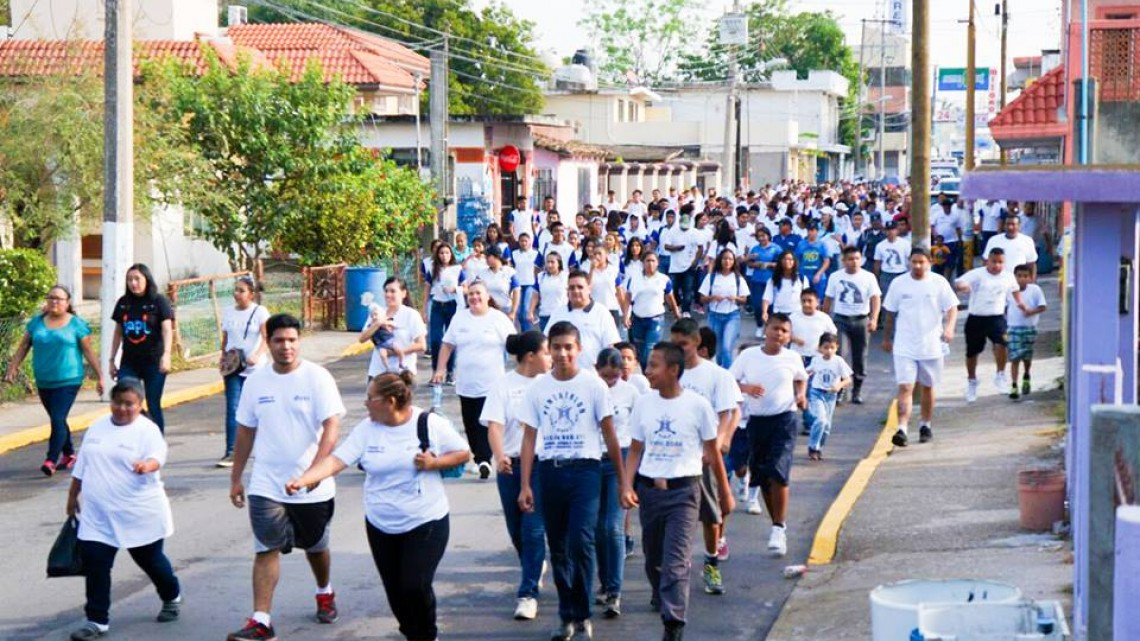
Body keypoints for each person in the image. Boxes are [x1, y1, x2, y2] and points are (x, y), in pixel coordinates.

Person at [285, 371, 468, 641]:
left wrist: (433, 463)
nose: (365, 403)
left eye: (370, 398)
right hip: (381, 523)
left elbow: (463, 452)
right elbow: (337, 461)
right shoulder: (367, 430)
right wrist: (304, 479)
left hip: (425, 521)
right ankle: (412, 634)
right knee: (395, 592)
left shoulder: (428, 423)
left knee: (414, 585)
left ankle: (428, 635)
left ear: (390, 401)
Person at [227, 314, 346, 641]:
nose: (286, 346)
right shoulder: (255, 382)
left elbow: (332, 429)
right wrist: (237, 477)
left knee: (316, 546)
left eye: (292, 340)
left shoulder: (317, 378)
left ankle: (325, 591)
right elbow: (246, 431)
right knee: (266, 548)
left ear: (299, 341)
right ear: (269, 342)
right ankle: (261, 620)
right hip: (267, 483)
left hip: (313, 485)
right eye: (279, 340)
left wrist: (315, 472)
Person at [619, 342, 733, 641]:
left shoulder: (698, 406)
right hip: (650, 492)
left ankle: (674, 624)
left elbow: (713, 451)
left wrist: (724, 491)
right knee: (653, 559)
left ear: (673, 370)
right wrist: (627, 485)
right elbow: (634, 449)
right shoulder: (644, 403)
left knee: (676, 562)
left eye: (654, 365)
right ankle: (662, 594)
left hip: (684, 492)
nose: (647, 370)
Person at [518, 321, 624, 641]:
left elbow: (610, 435)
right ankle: (568, 614)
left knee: (581, 542)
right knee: (559, 547)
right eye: (556, 347)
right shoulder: (538, 388)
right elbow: (528, 439)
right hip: (551, 471)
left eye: (568, 347)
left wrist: (624, 482)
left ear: (578, 350)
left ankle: (583, 615)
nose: (562, 353)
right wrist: (525, 484)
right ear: (548, 350)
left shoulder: (593, 386)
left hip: (586, 471)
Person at [64, 378, 181, 641]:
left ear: (140, 405)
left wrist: (146, 465)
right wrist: (72, 497)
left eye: (129, 404)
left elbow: (157, 456)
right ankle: (97, 621)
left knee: (151, 561)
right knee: (95, 565)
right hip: (98, 515)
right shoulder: (97, 427)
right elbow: (82, 465)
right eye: (118, 402)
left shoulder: (147, 430)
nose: (122, 409)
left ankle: (172, 595)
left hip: (138, 513)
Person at [669, 319, 742, 595]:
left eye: (683, 344)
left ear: (697, 343)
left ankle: (711, 564)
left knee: (711, 515)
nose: (678, 349)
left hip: (705, 458)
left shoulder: (717, 375)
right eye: (674, 344)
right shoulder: (670, 372)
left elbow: (727, 412)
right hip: (675, 457)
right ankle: (676, 569)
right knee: (675, 517)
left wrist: (719, 443)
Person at [483, 331, 551, 621]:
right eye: (547, 351)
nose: (552, 357)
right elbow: (494, 426)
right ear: (531, 356)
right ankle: (533, 566)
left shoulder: (550, 385)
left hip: (539, 465)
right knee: (517, 530)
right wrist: (499, 457)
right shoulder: (504, 385)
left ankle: (527, 594)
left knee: (533, 529)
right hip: (510, 466)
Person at [729, 313, 808, 557]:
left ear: (789, 335)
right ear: (766, 330)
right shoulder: (748, 356)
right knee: (763, 475)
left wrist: (801, 395)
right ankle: (777, 524)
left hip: (784, 420)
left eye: (785, 331)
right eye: (775, 329)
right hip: (757, 422)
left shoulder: (792, 357)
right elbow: (730, 380)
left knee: (778, 471)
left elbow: (801, 379)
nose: (779, 334)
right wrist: (746, 388)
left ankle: (778, 527)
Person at [5, 284, 103, 476]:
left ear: (67, 303)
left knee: (57, 418)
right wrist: (13, 366)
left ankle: (51, 459)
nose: (54, 302)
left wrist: (101, 376)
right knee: (58, 419)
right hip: (44, 380)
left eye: (59, 299)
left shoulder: (76, 324)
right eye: (51, 298)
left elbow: (89, 351)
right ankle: (69, 454)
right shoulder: (37, 323)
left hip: (69, 380)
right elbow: (24, 345)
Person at [432, 281, 516, 480]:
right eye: (470, 294)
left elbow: (514, 344)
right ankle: (481, 460)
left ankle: (485, 459)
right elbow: (447, 345)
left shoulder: (498, 319)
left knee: (488, 423)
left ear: (487, 296)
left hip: (493, 384)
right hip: (466, 383)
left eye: (478, 293)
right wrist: (440, 369)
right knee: (471, 424)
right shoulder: (460, 318)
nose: (474, 298)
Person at [881, 249, 959, 447]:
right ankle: (902, 429)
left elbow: (952, 307)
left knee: (928, 386)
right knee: (906, 386)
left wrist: (949, 328)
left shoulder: (939, 282)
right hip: (904, 345)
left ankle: (925, 424)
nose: (917, 266)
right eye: (913, 262)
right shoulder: (899, 284)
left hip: (931, 345)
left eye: (921, 262)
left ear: (929, 262)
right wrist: (887, 338)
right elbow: (890, 312)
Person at [593, 348, 639, 618]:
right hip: (592, 458)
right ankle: (604, 580)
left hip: (620, 458)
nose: (610, 380)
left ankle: (615, 591)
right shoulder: (590, 388)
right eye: (605, 375)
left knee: (613, 526)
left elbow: (639, 431)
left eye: (615, 376)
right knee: (597, 528)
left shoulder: (632, 393)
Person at [109, 263, 173, 433]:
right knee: (125, 395)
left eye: (137, 279)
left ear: (147, 279)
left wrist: (166, 355)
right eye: (130, 279)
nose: (133, 283)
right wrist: (111, 360)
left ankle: (156, 441)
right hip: (130, 361)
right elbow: (118, 332)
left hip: (154, 361)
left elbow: (167, 329)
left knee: (153, 403)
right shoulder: (123, 303)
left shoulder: (159, 301)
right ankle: (133, 434)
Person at [955, 249, 1024, 403]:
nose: (996, 265)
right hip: (976, 318)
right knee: (972, 352)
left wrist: (1021, 305)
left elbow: (1015, 290)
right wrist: (963, 287)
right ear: (987, 261)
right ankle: (972, 381)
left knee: (1002, 344)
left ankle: (1000, 375)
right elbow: (960, 282)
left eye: (1000, 262)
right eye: (994, 261)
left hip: (997, 317)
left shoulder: (1008, 276)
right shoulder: (977, 274)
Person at [217, 276, 270, 467]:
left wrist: (257, 355)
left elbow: (266, 337)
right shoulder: (228, 312)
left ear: (251, 294)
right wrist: (222, 357)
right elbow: (226, 337)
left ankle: (264, 447)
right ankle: (231, 451)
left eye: (241, 290)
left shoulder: (260, 312)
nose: (236, 294)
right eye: (235, 290)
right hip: (233, 367)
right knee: (233, 408)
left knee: (258, 408)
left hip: (255, 369)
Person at [823, 246, 881, 404]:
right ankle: (840, 389)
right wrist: (824, 319)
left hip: (861, 319)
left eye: (857, 258)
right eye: (850, 259)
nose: (854, 262)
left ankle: (857, 390)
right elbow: (828, 299)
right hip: (841, 319)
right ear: (843, 261)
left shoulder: (868, 277)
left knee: (860, 356)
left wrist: (874, 319)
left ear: (861, 259)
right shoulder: (835, 277)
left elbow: (875, 298)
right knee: (839, 354)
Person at [545, 269, 622, 371]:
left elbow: (610, 347)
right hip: (564, 376)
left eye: (580, 287)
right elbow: (546, 342)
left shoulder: (601, 312)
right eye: (571, 288)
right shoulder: (558, 313)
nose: (576, 291)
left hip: (593, 375)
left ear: (589, 288)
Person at [359, 276, 427, 382]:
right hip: (378, 373)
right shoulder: (377, 313)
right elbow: (362, 339)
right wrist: (377, 324)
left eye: (393, 291)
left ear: (403, 294)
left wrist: (394, 352)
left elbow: (421, 345)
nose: (388, 295)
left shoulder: (411, 315)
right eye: (386, 291)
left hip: (402, 375)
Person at [620, 251, 681, 368]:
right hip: (638, 319)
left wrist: (676, 312)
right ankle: (646, 376)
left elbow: (669, 297)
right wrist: (625, 315)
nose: (650, 264)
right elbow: (628, 297)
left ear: (657, 263)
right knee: (640, 353)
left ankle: (651, 378)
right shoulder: (634, 279)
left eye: (653, 261)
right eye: (647, 261)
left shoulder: (664, 279)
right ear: (643, 263)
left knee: (650, 349)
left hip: (655, 319)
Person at [698, 248, 749, 369]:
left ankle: (729, 374)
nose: (727, 261)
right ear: (720, 260)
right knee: (718, 349)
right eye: (725, 258)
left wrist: (735, 298)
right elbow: (702, 298)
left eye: (730, 259)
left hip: (732, 315)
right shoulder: (711, 277)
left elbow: (744, 299)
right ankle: (720, 368)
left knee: (727, 347)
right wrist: (713, 298)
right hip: (714, 315)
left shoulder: (738, 278)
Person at [804, 334, 853, 461]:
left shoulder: (838, 361)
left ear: (837, 347)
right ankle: (813, 447)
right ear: (820, 348)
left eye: (832, 347)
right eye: (826, 347)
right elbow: (807, 372)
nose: (829, 351)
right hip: (816, 393)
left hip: (831, 395)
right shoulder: (817, 360)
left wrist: (839, 386)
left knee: (826, 427)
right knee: (820, 420)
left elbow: (848, 379)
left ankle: (819, 446)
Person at [1006, 264, 1048, 400]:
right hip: (1013, 327)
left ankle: (1026, 375)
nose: (1022, 279)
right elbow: (1004, 308)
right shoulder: (1009, 291)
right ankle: (1013, 385)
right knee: (1014, 357)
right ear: (1014, 277)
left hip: (1029, 328)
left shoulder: (1035, 290)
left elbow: (1043, 307)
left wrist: (1031, 312)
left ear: (1030, 278)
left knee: (1026, 356)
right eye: (1019, 276)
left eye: (1025, 276)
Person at [425, 243, 463, 384]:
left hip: (452, 306)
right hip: (437, 305)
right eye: (441, 253)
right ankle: (436, 371)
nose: (444, 256)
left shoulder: (457, 269)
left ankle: (450, 371)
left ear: (451, 254)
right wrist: (424, 309)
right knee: (435, 339)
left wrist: (454, 289)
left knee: (450, 339)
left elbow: (465, 288)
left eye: (447, 253)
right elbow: (427, 289)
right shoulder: (432, 268)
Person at [661, 211, 702, 317]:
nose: (685, 228)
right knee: (673, 288)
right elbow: (666, 246)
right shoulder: (673, 231)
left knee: (687, 289)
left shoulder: (695, 232)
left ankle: (686, 310)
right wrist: (676, 248)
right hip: (675, 266)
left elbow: (700, 248)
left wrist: (695, 261)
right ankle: (677, 304)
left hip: (689, 265)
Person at [761, 251, 810, 322]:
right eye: (785, 259)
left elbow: (807, 297)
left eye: (790, 259)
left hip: (797, 314)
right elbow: (767, 297)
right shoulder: (773, 280)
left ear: (794, 262)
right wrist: (764, 312)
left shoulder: (802, 279)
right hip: (778, 314)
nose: (787, 261)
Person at [476, 245, 521, 321]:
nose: (485, 259)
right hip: (488, 310)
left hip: (505, 310)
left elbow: (516, 291)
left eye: (488, 257)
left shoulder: (509, 272)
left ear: (496, 256)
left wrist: (513, 312)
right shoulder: (482, 274)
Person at [588, 247, 625, 337]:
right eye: (595, 254)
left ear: (606, 256)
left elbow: (619, 291)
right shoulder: (588, 271)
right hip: (594, 309)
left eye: (599, 254)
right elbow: (587, 289)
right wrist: (592, 270)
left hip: (611, 308)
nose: (597, 256)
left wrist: (625, 312)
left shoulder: (613, 270)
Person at [530, 252, 569, 331]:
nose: (549, 265)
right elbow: (535, 295)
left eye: (552, 262)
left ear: (559, 263)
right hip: (545, 315)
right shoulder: (541, 277)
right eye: (547, 262)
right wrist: (530, 311)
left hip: (562, 315)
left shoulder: (566, 277)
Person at [873, 221, 911, 296]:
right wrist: (877, 278)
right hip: (886, 274)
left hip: (901, 273)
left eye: (892, 229)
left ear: (897, 230)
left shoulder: (905, 244)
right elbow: (877, 263)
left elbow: (910, 260)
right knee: (886, 297)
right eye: (888, 230)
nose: (890, 232)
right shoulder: (880, 246)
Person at [514, 233, 541, 332]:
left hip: (531, 284)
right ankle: (524, 332)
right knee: (519, 312)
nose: (524, 243)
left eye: (526, 241)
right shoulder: (514, 253)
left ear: (530, 242)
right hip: (518, 284)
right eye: (521, 241)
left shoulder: (536, 254)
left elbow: (539, 269)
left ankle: (528, 334)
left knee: (526, 310)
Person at [931, 200, 963, 279]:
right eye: (945, 206)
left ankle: (947, 279)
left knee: (950, 263)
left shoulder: (955, 216)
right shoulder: (937, 215)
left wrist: (959, 239)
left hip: (951, 242)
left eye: (948, 206)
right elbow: (931, 226)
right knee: (938, 263)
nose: (947, 207)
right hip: (939, 243)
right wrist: (936, 236)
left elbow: (958, 228)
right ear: (943, 207)